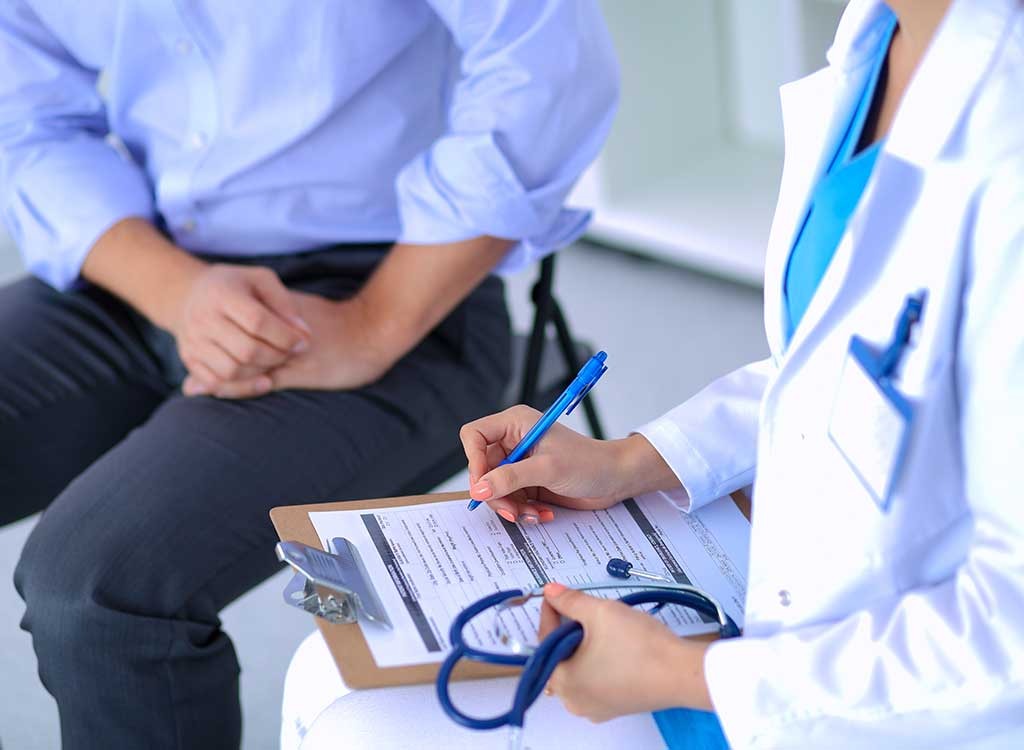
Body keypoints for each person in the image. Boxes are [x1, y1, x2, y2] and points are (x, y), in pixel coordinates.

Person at [0, 2, 618, 747]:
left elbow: (548, 61)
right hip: (141, 260)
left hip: (390, 285)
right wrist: (178, 294)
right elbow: (25, 116)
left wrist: (375, 323)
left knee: (94, 589)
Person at [460, 0, 1024, 747]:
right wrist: (628, 461)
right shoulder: (881, 33)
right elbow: (842, 365)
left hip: (888, 708)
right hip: (779, 635)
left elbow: (1011, 642)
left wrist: (687, 675)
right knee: (331, 681)